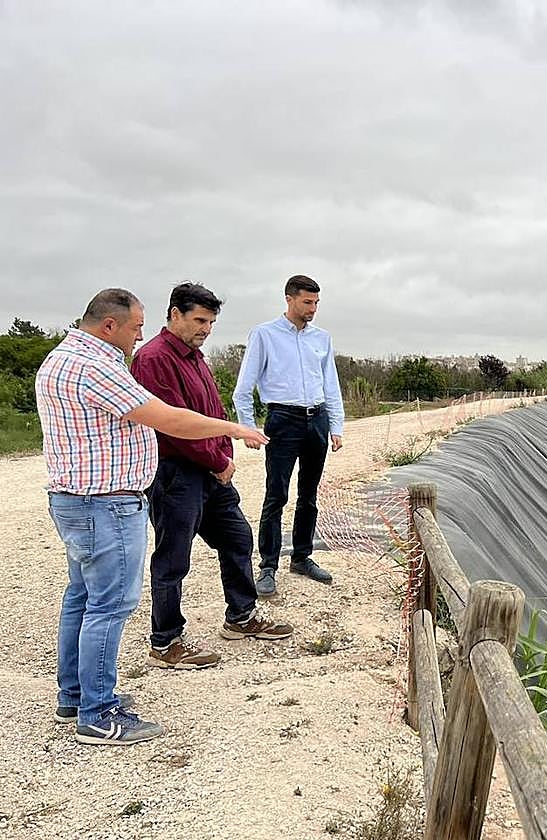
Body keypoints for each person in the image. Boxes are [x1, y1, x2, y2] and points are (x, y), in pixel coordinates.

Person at [36, 289, 269, 746]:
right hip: (107, 502)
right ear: (109, 326)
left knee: (82, 597)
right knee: (110, 605)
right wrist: (234, 428)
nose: (140, 334)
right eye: (136, 326)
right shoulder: (98, 366)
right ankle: (99, 714)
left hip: (74, 497)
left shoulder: (59, 359)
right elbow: (169, 420)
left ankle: (74, 695)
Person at [131, 283, 294, 671]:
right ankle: (165, 641)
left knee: (237, 537)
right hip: (176, 472)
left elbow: (211, 412)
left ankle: (241, 616)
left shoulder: (196, 357)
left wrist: (223, 452)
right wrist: (216, 459)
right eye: (199, 320)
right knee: (173, 557)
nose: (206, 328)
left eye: (211, 322)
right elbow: (171, 425)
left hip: (209, 469)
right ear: (174, 315)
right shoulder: (153, 359)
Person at [234, 275, 345, 597]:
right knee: (276, 495)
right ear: (289, 299)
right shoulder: (265, 335)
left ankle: (302, 556)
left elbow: (331, 385)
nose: (312, 309)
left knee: (309, 495)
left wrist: (336, 426)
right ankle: (268, 565)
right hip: (283, 419)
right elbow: (243, 388)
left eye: (316, 303)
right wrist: (249, 428)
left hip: (317, 419)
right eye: (307, 302)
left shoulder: (321, 338)